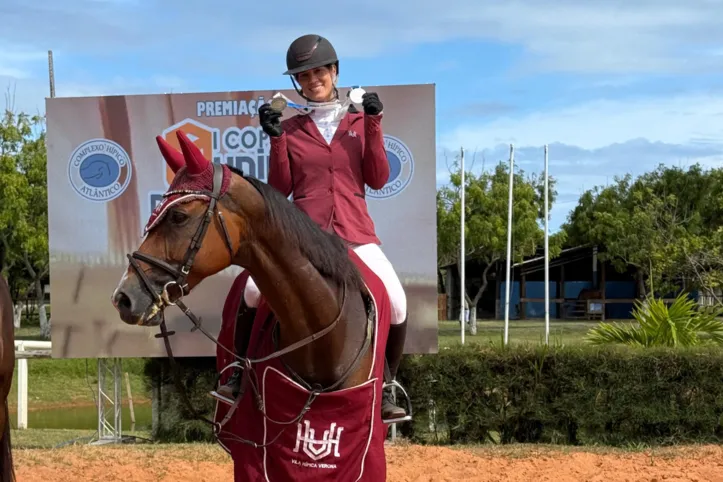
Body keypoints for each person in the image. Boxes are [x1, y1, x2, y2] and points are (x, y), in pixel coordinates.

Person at [216, 34, 408, 422]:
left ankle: (387, 383)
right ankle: (237, 372)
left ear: (335, 72)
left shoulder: (360, 120)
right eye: (304, 75)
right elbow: (282, 187)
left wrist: (374, 123)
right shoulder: (290, 128)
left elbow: (378, 178)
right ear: (296, 83)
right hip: (305, 235)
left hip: (355, 233)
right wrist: (274, 139)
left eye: (320, 70)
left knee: (398, 300)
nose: (313, 79)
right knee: (253, 291)